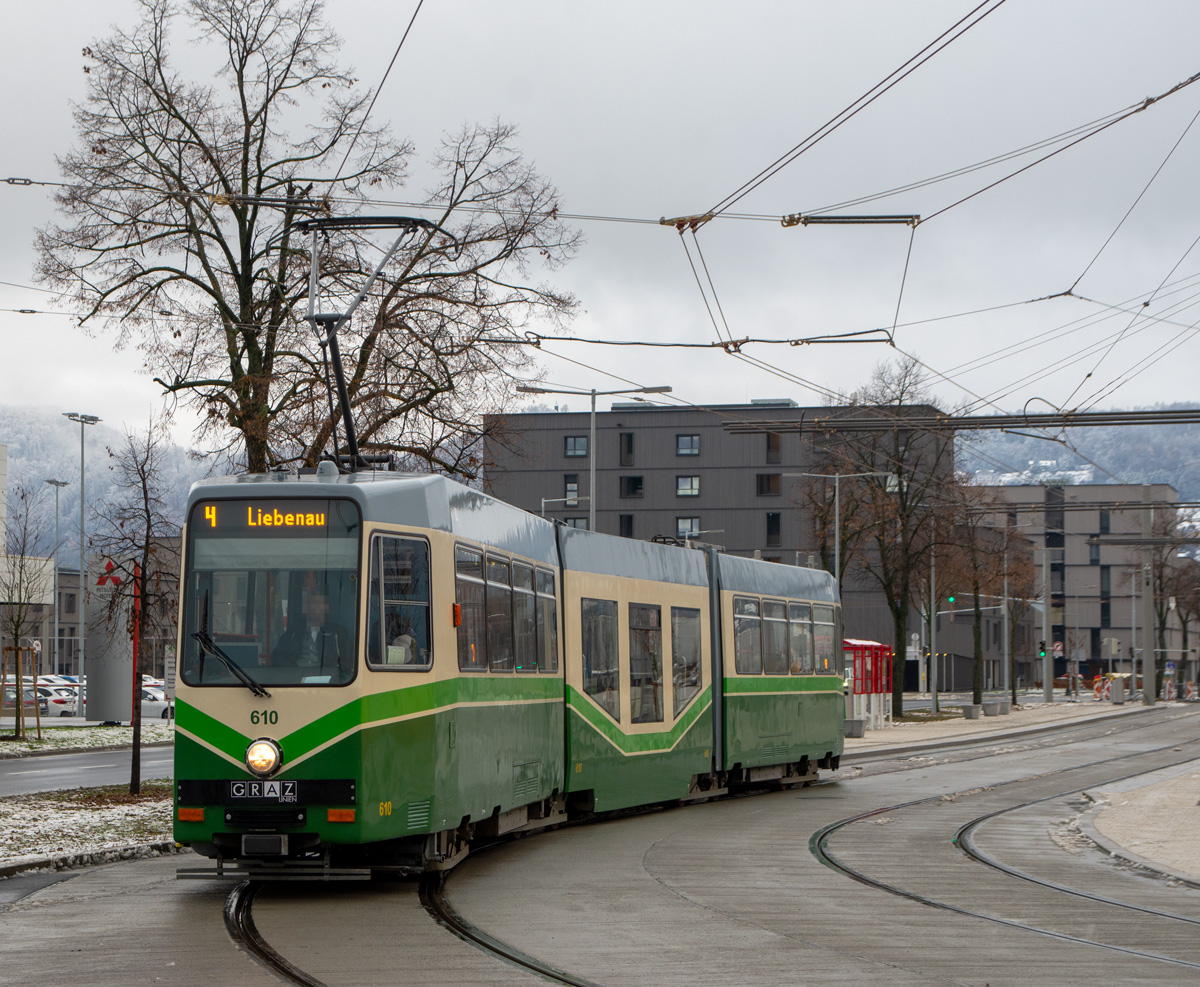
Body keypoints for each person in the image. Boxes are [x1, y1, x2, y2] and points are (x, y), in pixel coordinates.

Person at [274, 591, 351, 672]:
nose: (315, 610)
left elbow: (348, 660)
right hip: (296, 677)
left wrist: (334, 673)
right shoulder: (294, 632)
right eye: (310, 606)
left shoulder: (337, 632)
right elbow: (276, 656)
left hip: (325, 678)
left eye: (318, 606)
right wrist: (290, 668)